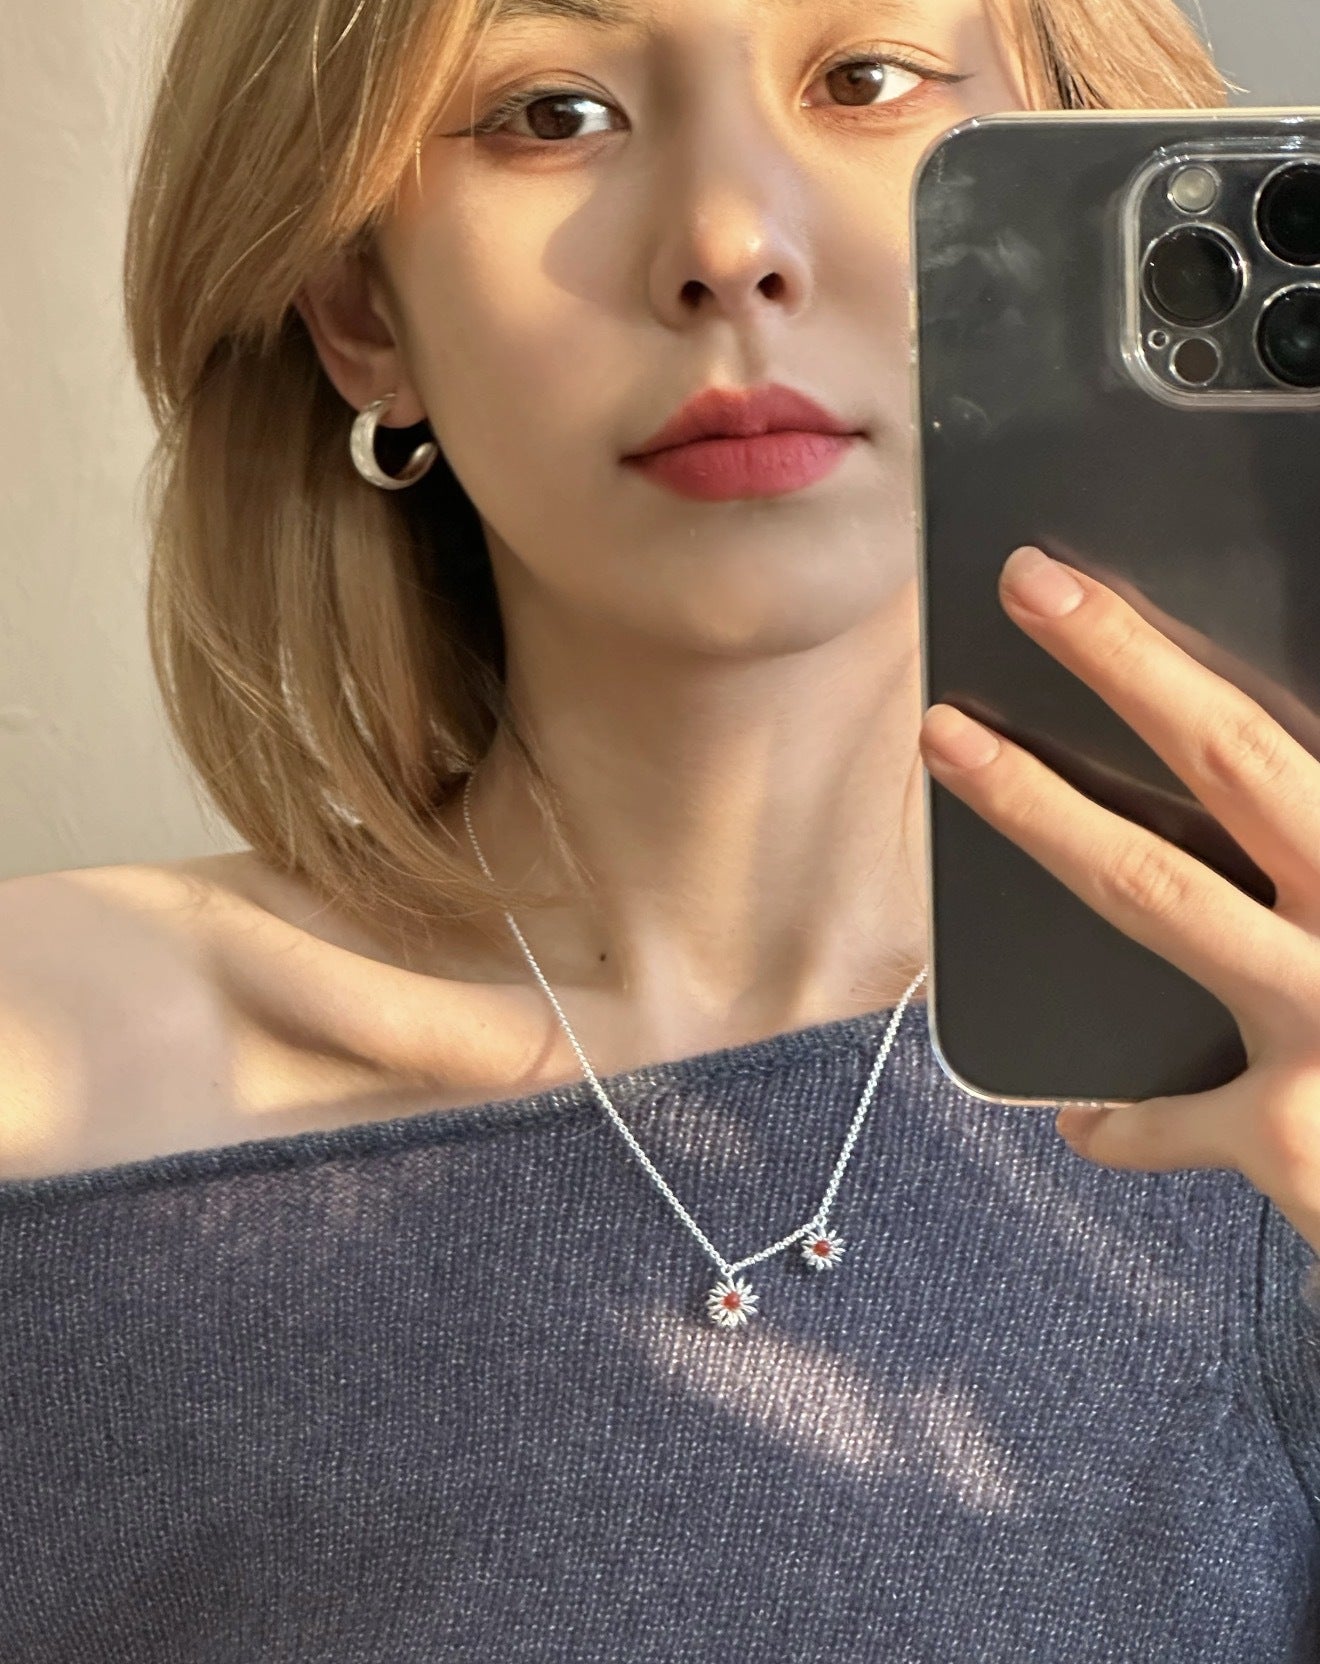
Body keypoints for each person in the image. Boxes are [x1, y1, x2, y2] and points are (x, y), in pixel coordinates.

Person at [1, 0, 1316, 1657]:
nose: (728, 246)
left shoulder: (1271, 1078)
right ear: (358, 309)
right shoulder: (49, 1087)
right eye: (550, 113)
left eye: (866, 79)